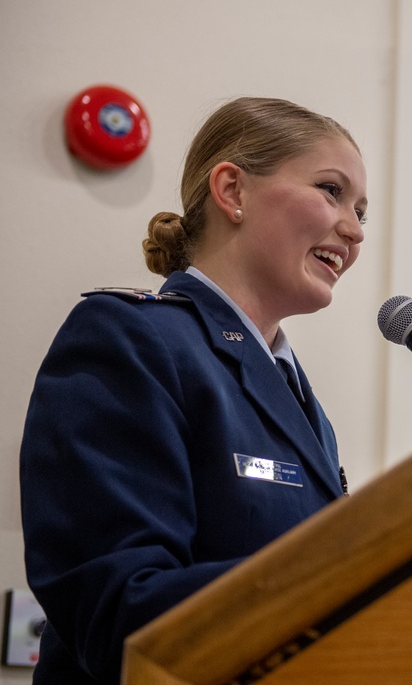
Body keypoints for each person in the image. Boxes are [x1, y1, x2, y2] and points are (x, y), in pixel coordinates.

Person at [19, 96, 367, 684]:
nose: (354, 230)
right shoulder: (128, 338)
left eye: (362, 210)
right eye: (331, 190)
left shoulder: (301, 400)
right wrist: (345, 573)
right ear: (232, 191)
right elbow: (117, 612)